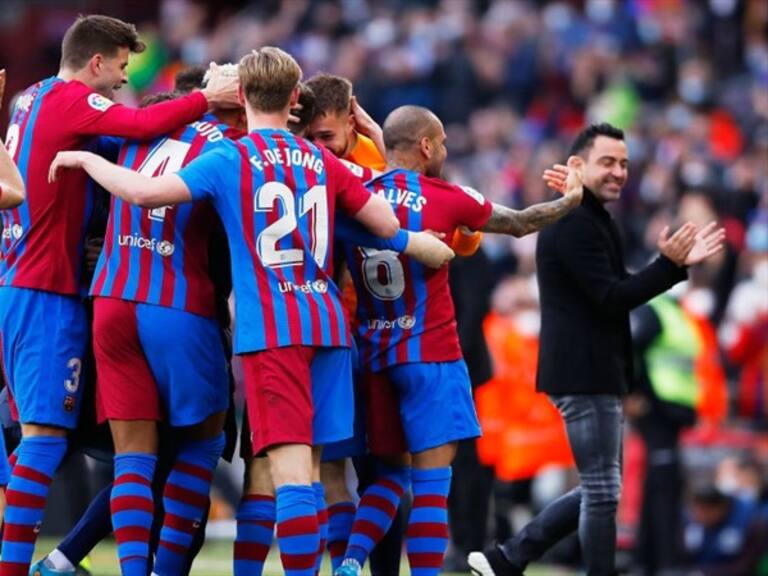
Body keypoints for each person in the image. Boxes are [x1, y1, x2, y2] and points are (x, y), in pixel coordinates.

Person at [49, 46, 401, 576]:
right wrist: (378, 144)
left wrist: (84, 161)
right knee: (296, 470)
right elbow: (391, 223)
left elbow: (142, 193)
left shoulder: (201, 147)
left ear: (235, 96)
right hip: (317, 323)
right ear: (295, 99)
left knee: (154, 461)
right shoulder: (316, 159)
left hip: (183, 310)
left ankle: (77, 559)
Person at [0, 14, 238, 575]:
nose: (121, 83)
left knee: (57, 441)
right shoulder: (67, 99)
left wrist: (94, 235)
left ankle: (53, 562)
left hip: (33, 280)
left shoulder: (30, 99)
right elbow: (135, 125)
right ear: (97, 62)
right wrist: (206, 98)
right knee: (44, 441)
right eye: (120, 70)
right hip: (48, 289)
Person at [334, 104, 586, 576]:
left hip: (372, 355)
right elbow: (521, 222)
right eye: (443, 141)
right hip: (431, 356)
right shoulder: (448, 197)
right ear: (426, 145)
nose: (446, 149)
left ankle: (350, 561)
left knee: (386, 476)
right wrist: (571, 200)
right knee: (432, 484)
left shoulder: (359, 198)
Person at [468, 123, 726, 576]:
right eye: (607, 162)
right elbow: (611, 297)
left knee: (599, 487)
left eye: (624, 163)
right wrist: (669, 266)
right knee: (603, 489)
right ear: (576, 165)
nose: (619, 172)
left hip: (594, 370)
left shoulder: (590, 218)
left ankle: (508, 558)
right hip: (584, 372)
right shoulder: (573, 221)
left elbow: (615, 289)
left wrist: (669, 267)